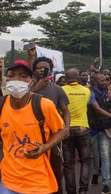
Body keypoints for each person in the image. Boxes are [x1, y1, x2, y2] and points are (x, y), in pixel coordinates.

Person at [0, 59, 66, 193]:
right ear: (6, 80)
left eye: (23, 76)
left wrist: (45, 147)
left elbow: (61, 130)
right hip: (7, 183)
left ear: (31, 81)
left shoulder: (44, 105)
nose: (17, 79)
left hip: (37, 183)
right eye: (12, 75)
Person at [31, 57, 70, 193]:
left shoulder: (58, 89)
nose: (42, 69)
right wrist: (36, 88)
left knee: (55, 171)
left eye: (45, 67)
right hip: (30, 136)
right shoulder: (27, 88)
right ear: (34, 70)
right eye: (39, 67)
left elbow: (66, 111)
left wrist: (66, 128)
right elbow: (19, 102)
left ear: (51, 70)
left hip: (52, 138)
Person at [88, 73, 111, 194]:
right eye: (102, 80)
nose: (105, 82)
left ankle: (105, 184)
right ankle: (94, 173)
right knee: (96, 156)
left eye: (106, 80)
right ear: (94, 82)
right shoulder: (91, 93)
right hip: (93, 130)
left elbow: (106, 102)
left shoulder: (105, 93)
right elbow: (97, 108)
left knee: (104, 156)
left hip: (104, 129)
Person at [61, 69, 92, 194]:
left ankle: (71, 191)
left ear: (65, 78)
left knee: (68, 164)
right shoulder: (86, 91)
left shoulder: (61, 90)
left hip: (66, 130)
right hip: (82, 128)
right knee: (85, 161)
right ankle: (83, 190)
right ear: (78, 78)